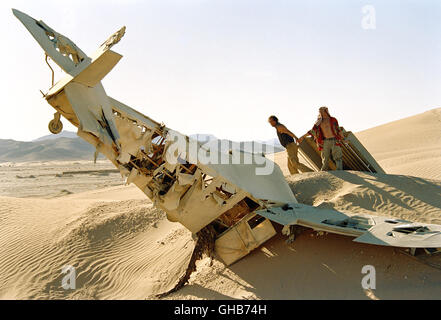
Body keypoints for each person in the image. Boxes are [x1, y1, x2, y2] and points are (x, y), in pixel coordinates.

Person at [298, 106, 344, 171]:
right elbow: (312, 131)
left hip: (334, 140)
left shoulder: (333, 119)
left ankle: (340, 170)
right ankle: (324, 171)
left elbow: (338, 129)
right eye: (320, 111)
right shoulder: (318, 122)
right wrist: (302, 137)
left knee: (337, 156)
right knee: (325, 158)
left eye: (324, 111)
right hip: (325, 141)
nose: (322, 112)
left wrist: (342, 137)